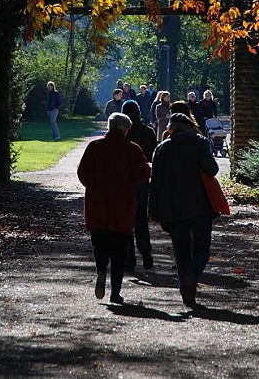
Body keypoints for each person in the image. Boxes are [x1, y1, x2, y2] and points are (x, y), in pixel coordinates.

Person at [77, 112, 151, 304]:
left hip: (97, 203)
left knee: (99, 242)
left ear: (109, 127)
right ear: (126, 129)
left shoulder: (94, 146)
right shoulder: (132, 149)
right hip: (122, 204)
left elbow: (82, 172)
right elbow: (143, 174)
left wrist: (93, 186)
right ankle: (115, 292)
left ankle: (101, 270)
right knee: (119, 250)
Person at [149, 112, 218, 308]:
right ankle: (192, 277)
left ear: (170, 129)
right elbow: (212, 169)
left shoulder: (162, 148)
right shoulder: (200, 142)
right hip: (199, 205)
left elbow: (156, 183)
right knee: (202, 250)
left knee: (181, 252)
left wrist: (153, 211)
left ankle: (186, 293)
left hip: (172, 207)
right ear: (189, 126)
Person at [122, 100, 157, 272]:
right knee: (141, 219)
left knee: (126, 220)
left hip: (124, 182)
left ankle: (129, 259)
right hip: (142, 181)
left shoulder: (123, 133)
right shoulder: (148, 131)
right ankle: (146, 253)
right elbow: (153, 156)